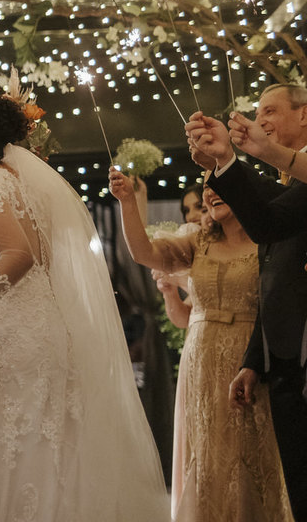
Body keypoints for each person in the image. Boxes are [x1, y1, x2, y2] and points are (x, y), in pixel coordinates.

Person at [0, 93, 167, 521]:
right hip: (30, 324)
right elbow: (39, 257)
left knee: (20, 439)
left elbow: (20, 255)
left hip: (19, 333)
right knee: (35, 441)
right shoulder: (3, 175)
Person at [111, 172, 293, 521]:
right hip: (202, 358)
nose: (210, 193)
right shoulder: (198, 240)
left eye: (217, 184)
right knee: (207, 453)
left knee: (250, 454)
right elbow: (143, 253)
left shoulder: (268, 241)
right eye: (206, 188)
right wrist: (128, 204)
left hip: (249, 355)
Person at [187, 87, 307, 519]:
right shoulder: (292, 184)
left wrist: (239, 158)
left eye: (270, 111)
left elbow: (268, 220)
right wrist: (224, 161)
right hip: (288, 363)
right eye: (258, 113)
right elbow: (269, 235)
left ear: (305, 115)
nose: (261, 120)